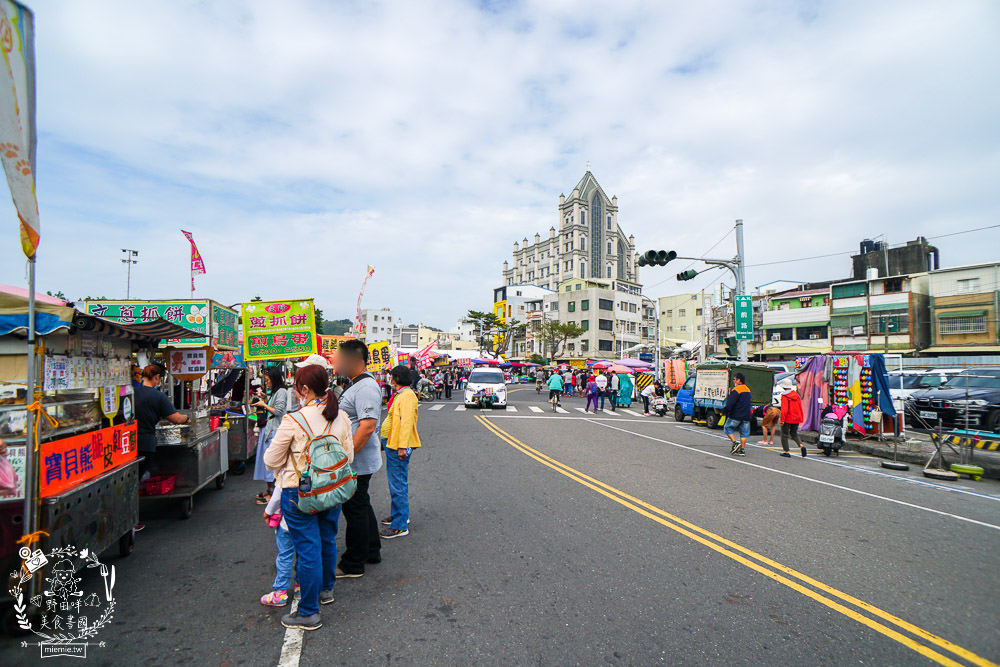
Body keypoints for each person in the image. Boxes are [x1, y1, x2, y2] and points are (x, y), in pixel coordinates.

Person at [264, 362, 352, 630]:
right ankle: (326, 590)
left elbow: (270, 460)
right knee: (327, 539)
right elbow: (348, 456)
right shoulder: (342, 417)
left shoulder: (295, 419)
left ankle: (308, 612)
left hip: (299, 492)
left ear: (303, 388)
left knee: (307, 548)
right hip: (332, 489)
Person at [335, 340, 384, 579]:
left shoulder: (365, 387)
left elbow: (367, 426)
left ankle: (353, 562)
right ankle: (371, 550)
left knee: (354, 508)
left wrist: (346, 457)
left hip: (357, 462)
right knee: (361, 505)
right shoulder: (355, 384)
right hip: (357, 460)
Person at [380, 365, 421, 539]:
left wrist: (402, 446)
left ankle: (399, 525)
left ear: (397, 378)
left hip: (398, 446)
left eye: (392, 376)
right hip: (393, 443)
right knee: (396, 482)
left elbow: (406, 423)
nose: (390, 379)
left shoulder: (407, 396)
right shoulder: (401, 394)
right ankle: (399, 515)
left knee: (397, 484)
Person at [134, 364, 189, 480]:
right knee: (139, 475)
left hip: (127, 443)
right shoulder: (158, 396)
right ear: (156, 377)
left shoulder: (131, 392)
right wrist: (187, 418)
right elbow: (177, 419)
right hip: (145, 444)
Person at [252, 367, 289, 505]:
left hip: (274, 432)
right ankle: (270, 490)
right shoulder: (276, 392)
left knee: (272, 463)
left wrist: (263, 404)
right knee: (267, 462)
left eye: (267, 380)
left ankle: (273, 494)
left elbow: (278, 411)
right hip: (269, 430)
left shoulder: (282, 392)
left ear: (274, 379)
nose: (266, 383)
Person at [260, 487, 298, 607]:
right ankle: (301, 587)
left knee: (284, 556)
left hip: (286, 523)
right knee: (303, 556)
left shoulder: (285, 473)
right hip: (306, 523)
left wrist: (267, 513)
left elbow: (276, 498)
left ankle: (280, 592)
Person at [723, 373, 753, 457]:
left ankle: (735, 443)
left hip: (736, 414)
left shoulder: (736, 390)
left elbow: (730, 403)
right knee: (744, 433)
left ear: (738, 380)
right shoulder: (747, 389)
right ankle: (742, 450)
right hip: (746, 415)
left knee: (727, 428)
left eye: (734, 379)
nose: (734, 381)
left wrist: (725, 410)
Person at [779, 377, 807, 457]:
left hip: (788, 418)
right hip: (796, 417)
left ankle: (786, 451)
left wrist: (782, 420)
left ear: (784, 386)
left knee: (784, 434)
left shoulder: (785, 396)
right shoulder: (796, 395)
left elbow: (784, 409)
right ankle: (801, 445)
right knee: (794, 433)